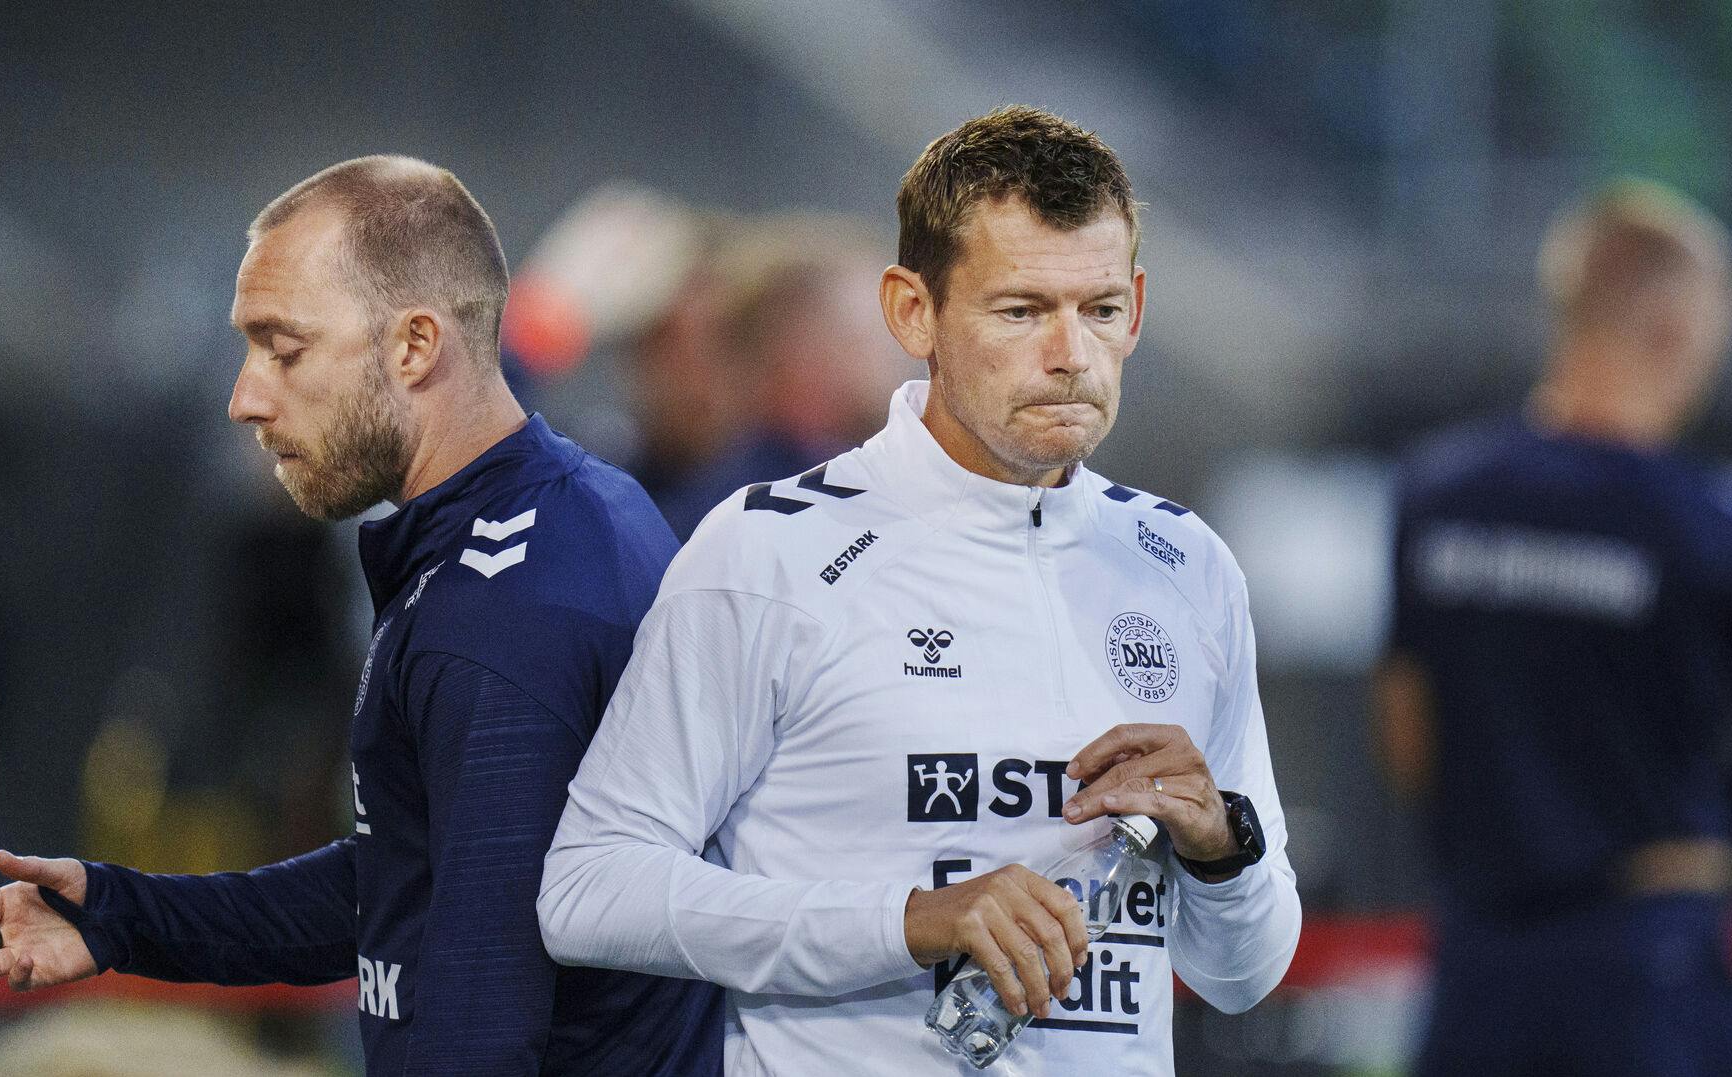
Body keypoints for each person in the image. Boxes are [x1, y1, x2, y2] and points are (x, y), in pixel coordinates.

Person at [538, 106, 1301, 1074]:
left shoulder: (1185, 565)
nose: (1071, 354)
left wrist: (1222, 852)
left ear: (1138, 311)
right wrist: (913, 921)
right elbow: (590, 891)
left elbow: (1244, 974)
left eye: (1100, 310)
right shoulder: (769, 551)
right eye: (1021, 311)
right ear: (912, 311)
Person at [0, 156, 722, 1075]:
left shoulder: (507, 606)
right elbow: (407, 884)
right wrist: (119, 916)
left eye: (285, 348)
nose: (246, 397)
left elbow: (485, 1015)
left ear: (417, 347)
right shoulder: (533, 524)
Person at [1373, 179, 1732, 1076]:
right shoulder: (1716, 521)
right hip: (1648, 966)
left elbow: (1408, 741)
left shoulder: (1439, 496)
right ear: (1676, 328)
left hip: (1479, 963)